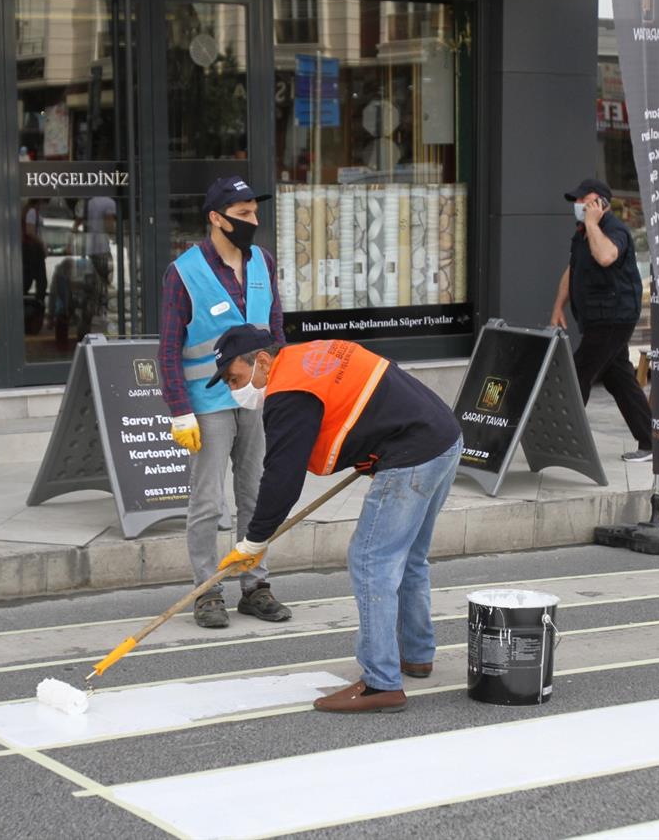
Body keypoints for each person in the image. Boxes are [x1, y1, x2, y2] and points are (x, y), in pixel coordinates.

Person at [209, 325, 463, 714]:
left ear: (261, 361)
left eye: (235, 379)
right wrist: (372, 444)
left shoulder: (288, 389)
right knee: (409, 556)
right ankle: (416, 654)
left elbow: (282, 477)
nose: (235, 391)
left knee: (371, 560)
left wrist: (254, 541)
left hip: (413, 452)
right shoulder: (310, 356)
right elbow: (372, 393)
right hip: (442, 437)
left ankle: (380, 682)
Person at [158, 177, 290, 628]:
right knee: (208, 502)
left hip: (256, 399)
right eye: (244, 214)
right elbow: (168, 349)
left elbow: (276, 332)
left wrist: (282, 389)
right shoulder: (184, 273)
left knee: (255, 494)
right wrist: (178, 410)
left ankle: (254, 586)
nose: (253, 221)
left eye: (255, 213)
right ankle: (207, 590)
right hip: (207, 402)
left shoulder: (263, 263)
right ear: (216, 218)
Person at [548, 177, 653, 463]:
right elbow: (573, 270)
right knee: (619, 379)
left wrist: (594, 224)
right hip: (596, 319)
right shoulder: (582, 233)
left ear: (601, 203)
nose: (579, 205)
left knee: (579, 373)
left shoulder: (613, 230)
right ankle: (651, 440)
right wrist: (559, 305)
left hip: (614, 317)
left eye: (585, 200)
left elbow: (606, 257)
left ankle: (564, 440)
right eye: (578, 201)